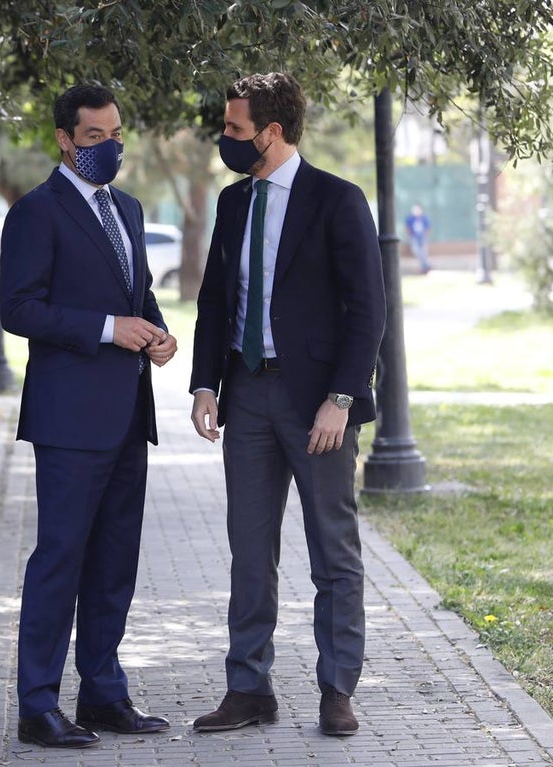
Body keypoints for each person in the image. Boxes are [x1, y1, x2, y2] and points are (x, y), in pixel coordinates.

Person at [188, 72, 386, 738]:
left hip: (316, 406)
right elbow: (216, 299)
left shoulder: (337, 200)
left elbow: (369, 310)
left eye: (236, 129)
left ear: (272, 132)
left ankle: (337, 688)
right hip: (245, 394)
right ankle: (248, 687)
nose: (226, 139)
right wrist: (205, 382)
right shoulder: (232, 202)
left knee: (333, 550)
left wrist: (341, 398)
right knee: (249, 549)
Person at [0, 83, 177, 750]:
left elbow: (140, 293)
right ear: (65, 141)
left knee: (114, 561)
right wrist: (108, 328)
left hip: (130, 413)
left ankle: (103, 692)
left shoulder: (127, 210)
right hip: (69, 419)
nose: (109, 147)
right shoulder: (36, 213)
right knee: (61, 559)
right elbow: (17, 309)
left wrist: (158, 334)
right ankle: (37, 704)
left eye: (116, 134)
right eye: (94, 138)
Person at [404, 203, 432, 274]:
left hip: (422, 237)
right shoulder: (410, 218)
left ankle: (425, 267)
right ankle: (426, 265)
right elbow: (407, 227)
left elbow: (428, 228)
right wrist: (410, 236)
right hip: (414, 238)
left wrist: (425, 236)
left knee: (423, 252)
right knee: (416, 251)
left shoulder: (424, 218)